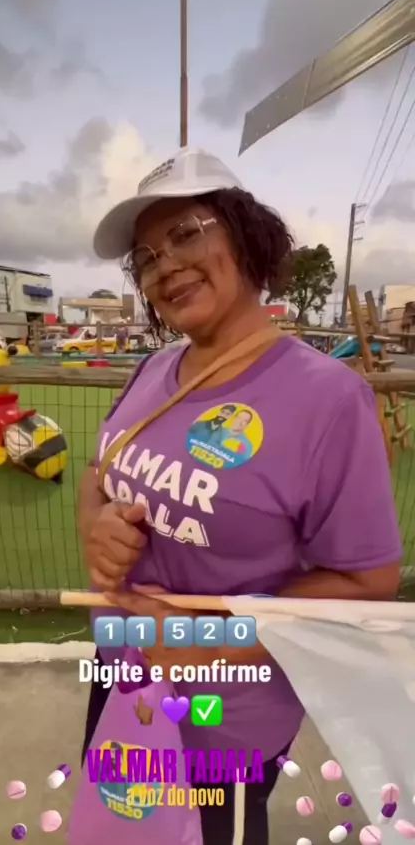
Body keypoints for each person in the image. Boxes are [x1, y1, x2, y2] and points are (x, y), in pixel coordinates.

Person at [78, 148, 401, 845]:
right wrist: (98, 525)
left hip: (223, 714)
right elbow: (97, 475)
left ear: (246, 234)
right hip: (122, 673)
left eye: (186, 233)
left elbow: (368, 580)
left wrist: (204, 642)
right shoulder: (153, 368)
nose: (165, 265)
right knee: (117, 830)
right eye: (146, 257)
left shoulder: (328, 400)